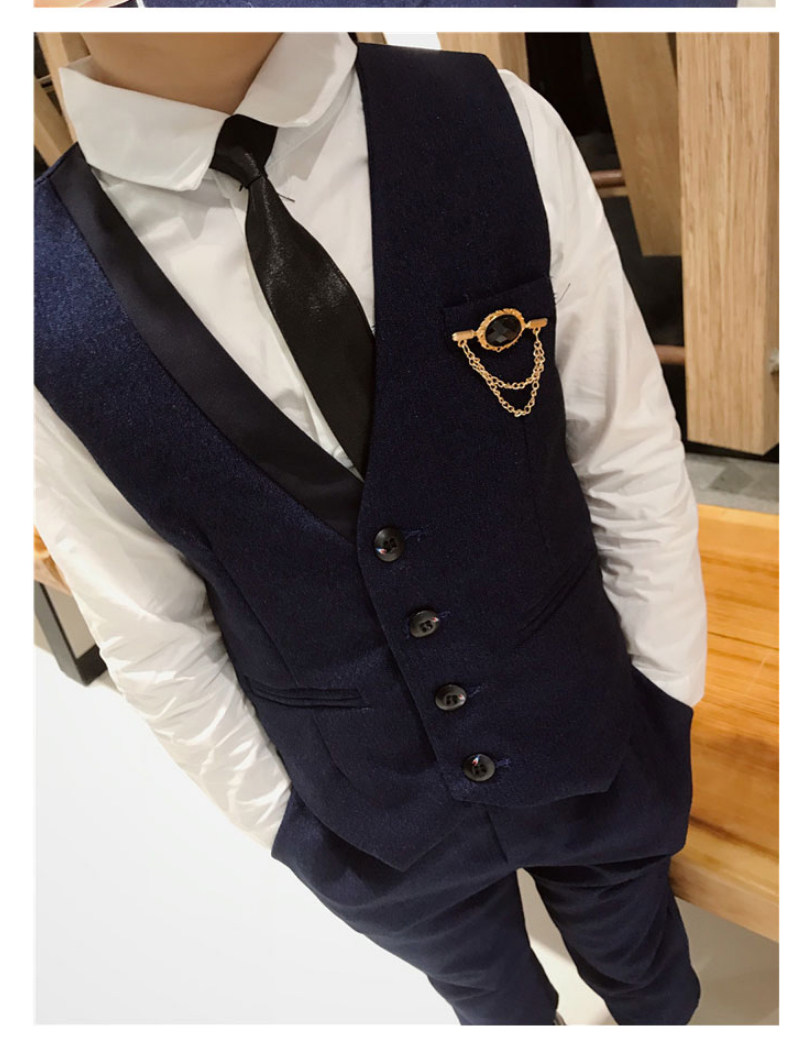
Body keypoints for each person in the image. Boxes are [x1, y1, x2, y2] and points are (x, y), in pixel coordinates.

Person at [35, 31, 707, 1025]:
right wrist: (289, 829)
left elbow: (623, 441)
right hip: (365, 814)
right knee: (494, 1004)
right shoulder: (34, 288)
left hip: (591, 724)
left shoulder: (492, 120)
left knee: (648, 970)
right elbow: (148, 620)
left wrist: (663, 686)